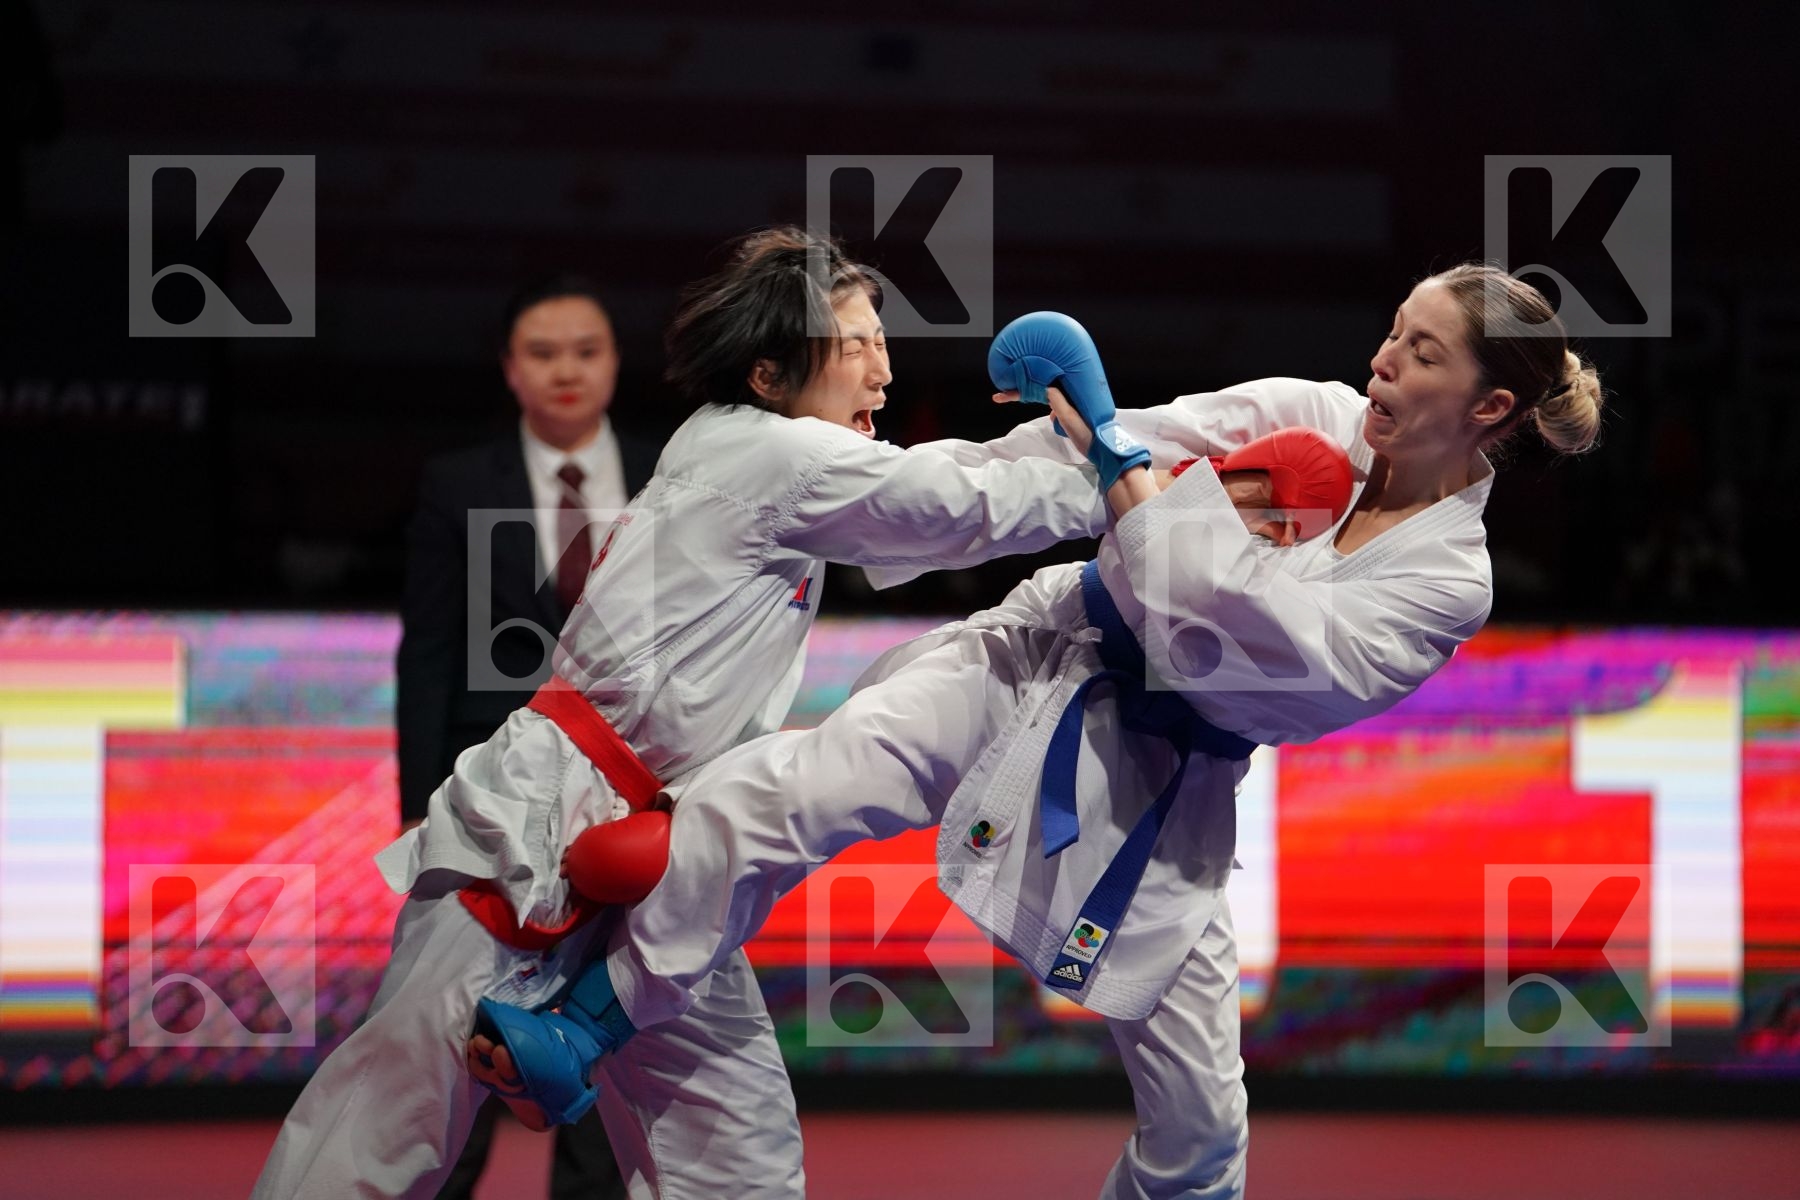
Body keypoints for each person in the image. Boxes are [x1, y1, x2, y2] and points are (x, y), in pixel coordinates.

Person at [472, 263, 1606, 1199]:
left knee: (1201, 1128)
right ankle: (583, 1019)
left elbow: (1261, 658)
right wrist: (905, 492)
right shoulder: (1312, 414)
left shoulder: (1449, 580)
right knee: (809, 785)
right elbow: (1108, 446)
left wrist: (1132, 483)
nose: (1381, 361)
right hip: (1043, 650)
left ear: (1490, 409)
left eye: (1418, 351)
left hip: (1166, 788)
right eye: (1392, 332)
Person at [249, 225, 1113, 1200]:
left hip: (662, 864)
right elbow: (953, 501)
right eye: (856, 341)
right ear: (773, 367)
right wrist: (1129, 472)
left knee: (736, 1159)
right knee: (381, 1133)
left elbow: (944, 485)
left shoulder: (776, 458)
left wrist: (1107, 443)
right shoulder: (764, 455)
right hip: (538, 829)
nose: (882, 365)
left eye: (883, 340)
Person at [398, 273, 659, 1200]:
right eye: (543, 353)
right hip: (491, 804)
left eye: (585, 351)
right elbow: (427, 655)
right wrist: (420, 823)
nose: (566, 371)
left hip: (633, 808)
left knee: (605, 1036)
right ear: (511, 370)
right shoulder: (457, 483)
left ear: (615, 363)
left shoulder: (673, 475)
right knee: (464, 1041)